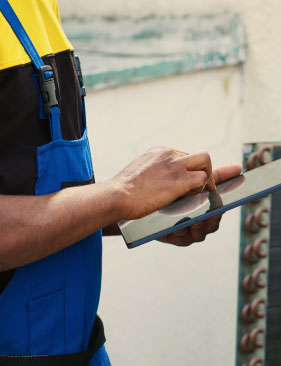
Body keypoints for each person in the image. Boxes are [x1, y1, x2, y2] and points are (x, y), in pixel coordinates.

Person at [0, 0, 241, 364]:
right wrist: (120, 194)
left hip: (80, 348)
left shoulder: (36, 7)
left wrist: (143, 208)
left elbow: (33, 190)